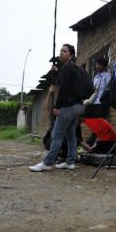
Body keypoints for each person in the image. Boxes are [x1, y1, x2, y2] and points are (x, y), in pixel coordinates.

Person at [29, 44, 85, 172]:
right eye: (60, 51)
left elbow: (63, 90)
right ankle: (70, 162)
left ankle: (47, 163)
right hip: (78, 106)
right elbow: (69, 86)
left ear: (71, 55)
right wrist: (57, 72)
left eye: (64, 51)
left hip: (68, 107)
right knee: (70, 135)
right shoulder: (74, 69)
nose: (61, 53)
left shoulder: (67, 68)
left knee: (56, 134)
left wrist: (57, 107)